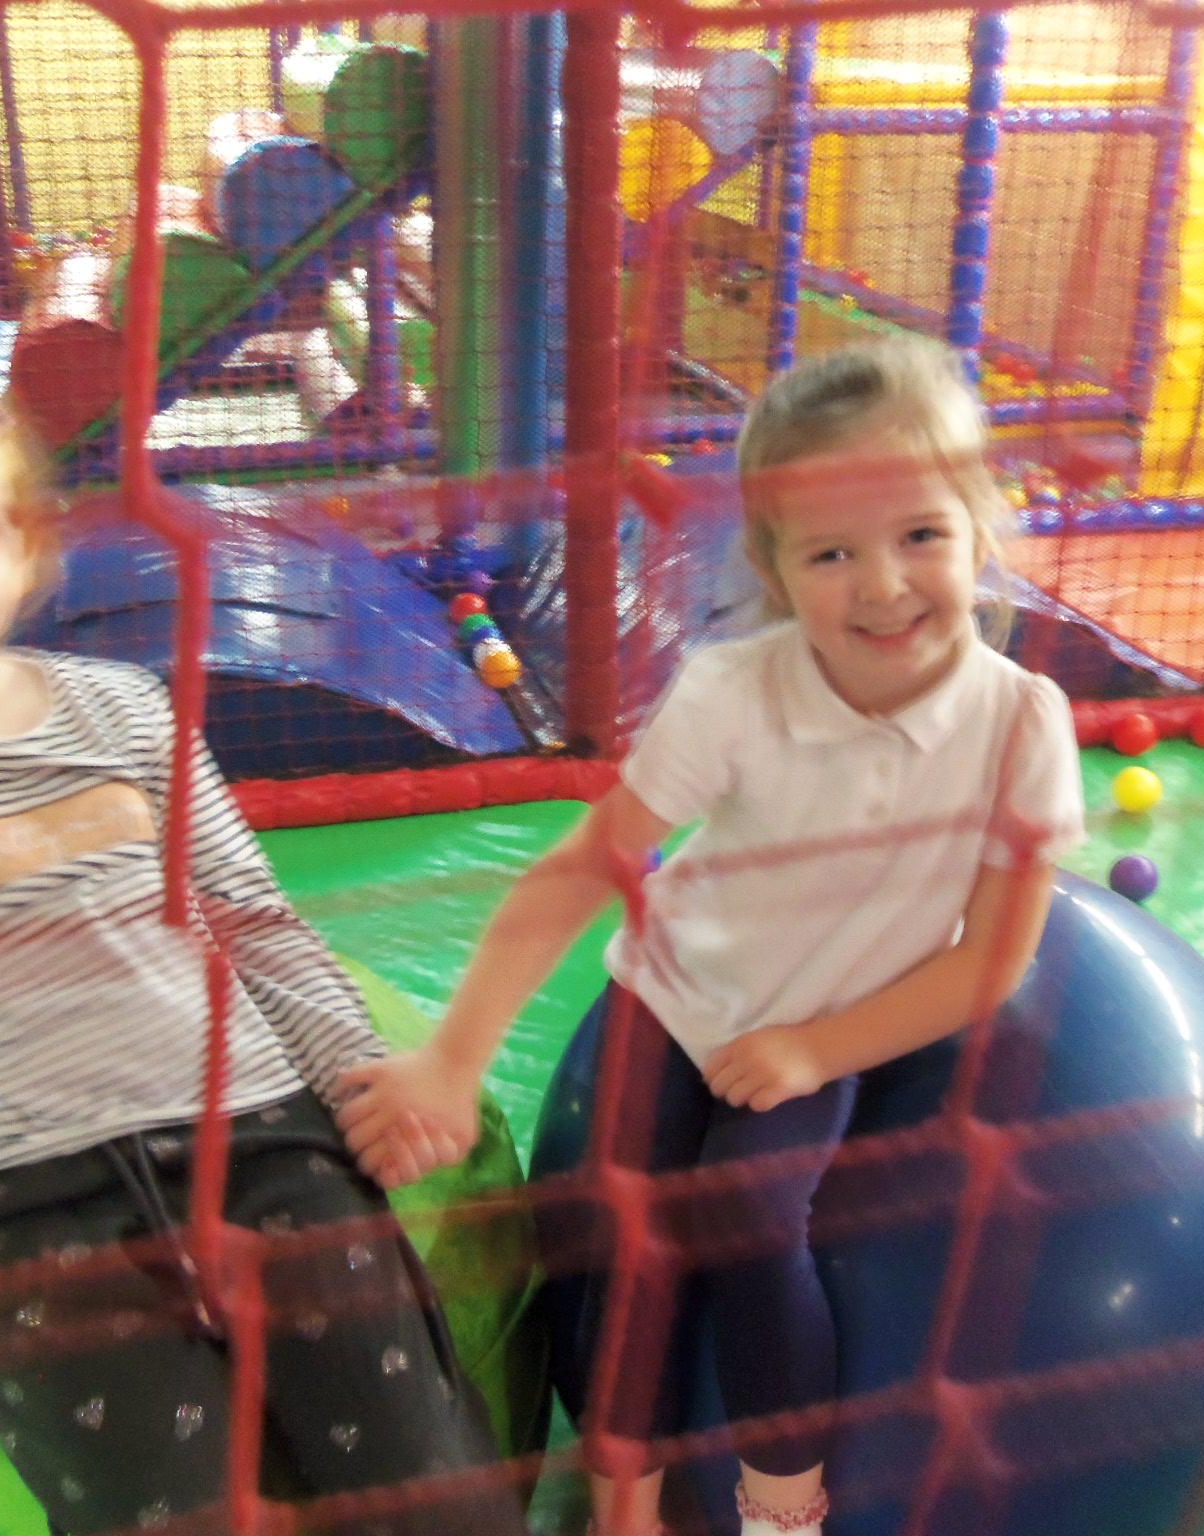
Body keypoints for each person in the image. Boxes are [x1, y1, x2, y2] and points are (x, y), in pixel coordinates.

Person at [0, 341, 515, 1536]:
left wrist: (352, 1075)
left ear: (24, 544)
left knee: (423, 1478)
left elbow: (250, 919)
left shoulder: (122, 710)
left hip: (254, 1138)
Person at [337, 335, 1086, 1536]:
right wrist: (453, 1062)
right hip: (674, 994)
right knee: (627, 1230)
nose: (881, 586)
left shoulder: (1019, 725)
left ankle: (781, 1512)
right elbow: (585, 867)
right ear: (775, 569)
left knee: (750, 1215)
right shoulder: (737, 692)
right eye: (830, 553)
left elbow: (991, 961)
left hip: (833, 1019)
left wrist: (814, 1049)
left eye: (919, 535)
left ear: (978, 524)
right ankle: (622, 1506)